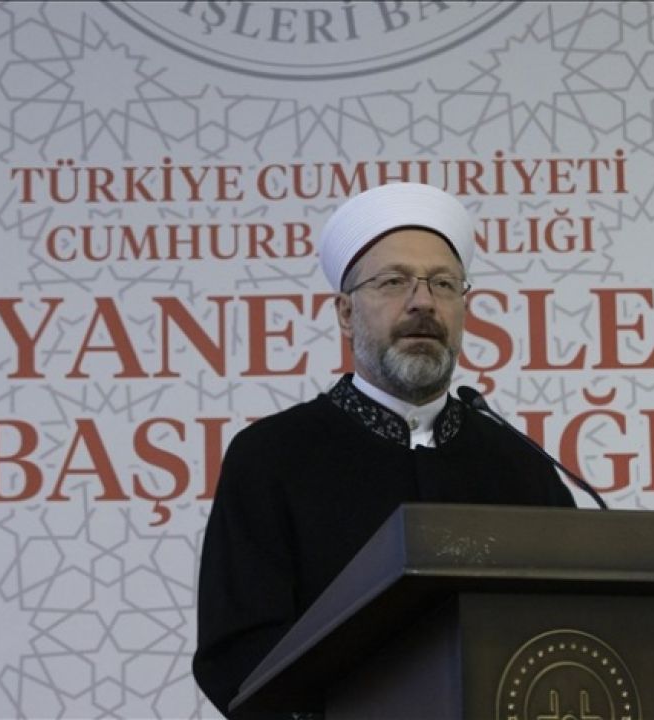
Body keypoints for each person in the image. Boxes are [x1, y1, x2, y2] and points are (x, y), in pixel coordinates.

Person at [192, 182, 576, 719]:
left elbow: (575, 622)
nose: (423, 302)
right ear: (346, 313)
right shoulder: (272, 457)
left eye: (444, 284)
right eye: (394, 281)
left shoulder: (519, 463)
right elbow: (238, 653)